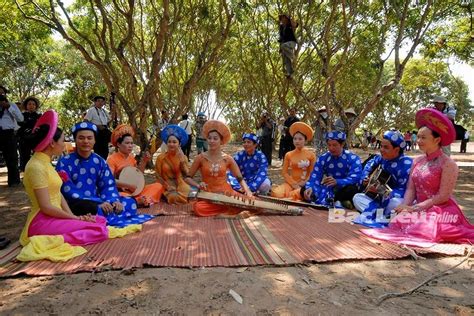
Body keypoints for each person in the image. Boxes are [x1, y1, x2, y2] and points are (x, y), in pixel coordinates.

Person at [361, 108, 474, 247]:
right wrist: (405, 206)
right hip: (417, 207)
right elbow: (410, 189)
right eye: (418, 137)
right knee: (396, 222)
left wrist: (415, 208)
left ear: (437, 139)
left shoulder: (448, 164)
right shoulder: (417, 161)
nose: (419, 141)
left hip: (439, 209)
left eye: (423, 137)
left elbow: (443, 196)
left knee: (425, 229)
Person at [19, 110, 109, 256]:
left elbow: (58, 195)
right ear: (52, 143)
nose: (64, 144)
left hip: (55, 217)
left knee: (99, 221)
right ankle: (49, 240)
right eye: (62, 140)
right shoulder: (36, 166)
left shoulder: (46, 163)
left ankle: (60, 234)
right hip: (41, 221)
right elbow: (46, 207)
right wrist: (74, 218)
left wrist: (75, 217)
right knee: (100, 231)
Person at [56, 122, 153, 227]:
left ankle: (104, 214)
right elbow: (67, 190)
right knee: (93, 209)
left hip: (100, 200)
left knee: (130, 203)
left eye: (89, 138)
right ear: (75, 140)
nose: (86, 141)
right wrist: (98, 202)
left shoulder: (99, 161)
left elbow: (108, 185)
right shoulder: (64, 162)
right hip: (79, 203)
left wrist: (113, 201)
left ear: (94, 141)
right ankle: (101, 214)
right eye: (81, 138)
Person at [185, 120, 253, 217]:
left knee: (251, 202)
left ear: (221, 141)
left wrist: (247, 191)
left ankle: (232, 205)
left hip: (226, 193)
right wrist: (198, 185)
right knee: (198, 208)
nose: (211, 141)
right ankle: (232, 207)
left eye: (215, 138)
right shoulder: (200, 158)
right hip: (208, 194)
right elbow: (187, 178)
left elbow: (239, 178)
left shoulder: (228, 158)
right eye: (209, 138)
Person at [352, 131, 413, 227]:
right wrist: (365, 177)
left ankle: (379, 215)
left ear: (396, 150)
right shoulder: (382, 158)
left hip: (397, 199)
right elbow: (369, 164)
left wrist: (381, 191)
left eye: (386, 147)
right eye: (381, 146)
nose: (381, 150)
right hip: (379, 198)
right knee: (357, 197)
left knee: (395, 203)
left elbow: (404, 191)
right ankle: (386, 217)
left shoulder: (407, 164)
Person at [107, 124, 164, 206]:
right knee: (122, 196)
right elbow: (110, 180)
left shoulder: (131, 158)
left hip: (133, 192)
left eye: (131, 143)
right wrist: (128, 185)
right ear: (119, 144)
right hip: (120, 192)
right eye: (127, 143)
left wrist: (144, 161)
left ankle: (138, 201)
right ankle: (138, 201)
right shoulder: (112, 159)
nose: (130, 146)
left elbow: (137, 175)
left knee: (158, 186)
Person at [303, 131, 362, 208]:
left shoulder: (353, 158)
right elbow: (315, 176)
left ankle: (337, 200)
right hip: (328, 188)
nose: (331, 148)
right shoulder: (323, 158)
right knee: (304, 190)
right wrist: (310, 187)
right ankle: (340, 201)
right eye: (329, 145)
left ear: (342, 144)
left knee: (351, 190)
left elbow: (356, 177)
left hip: (344, 188)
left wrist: (337, 182)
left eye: (334, 145)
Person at [272, 122, 316, 200]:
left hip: (305, 184)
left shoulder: (311, 155)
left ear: (305, 141)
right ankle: (292, 196)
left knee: (303, 193)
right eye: (295, 139)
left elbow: (312, 173)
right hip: (291, 183)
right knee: (276, 193)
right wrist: (293, 184)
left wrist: (304, 182)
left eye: (300, 139)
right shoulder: (288, 154)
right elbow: (284, 172)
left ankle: (293, 195)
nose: (297, 141)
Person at [155, 124, 192, 204]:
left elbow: (187, 175)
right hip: (166, 184)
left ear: (179, 144)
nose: (171, 144)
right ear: (166, 143)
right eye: (169, 142)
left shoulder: (184, 157)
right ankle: (167, 195)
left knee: (190, 195)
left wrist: (182, 162)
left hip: (180, 183)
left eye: (174, 142)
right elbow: (158, 176)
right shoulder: (160, 158)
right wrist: (167, 187)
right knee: (173, 196)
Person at [0, 85, 23, 187]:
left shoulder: (12, 105)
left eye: (2, 93)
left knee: (12, 158)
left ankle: (14, 181)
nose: (0, 94)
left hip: (8, 133)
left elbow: (20, 119)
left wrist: (9, 108)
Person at [18, 96, 42, 171]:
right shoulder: (22, 116)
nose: (31, 106)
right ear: (26, 106)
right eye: (29, 104)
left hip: (36, 140)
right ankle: (25, 172)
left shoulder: (39, 116)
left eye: (33, 104)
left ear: (36, 106)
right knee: (24, 157)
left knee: (38, 156)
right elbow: (19, 127)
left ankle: (38, 171)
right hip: (24, 140)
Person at [84, 95, 111, 160]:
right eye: (98, 101)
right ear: (95, 102)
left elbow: (109, 120)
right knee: (98, 150)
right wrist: (96, 126)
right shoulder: (92, 110)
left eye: (102, 101)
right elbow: (86, 121)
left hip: (104, 130)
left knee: (105, 150)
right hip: (97, 131)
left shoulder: (104, 111)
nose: (100, 103)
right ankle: (97, 164)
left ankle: (103, 164)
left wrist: (114, 111)